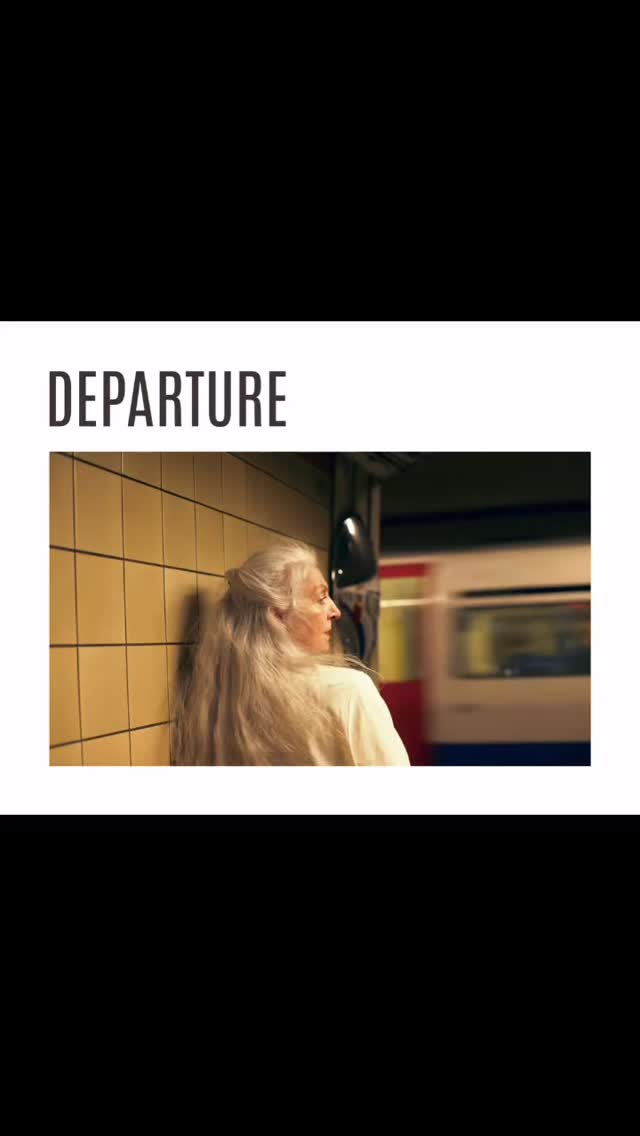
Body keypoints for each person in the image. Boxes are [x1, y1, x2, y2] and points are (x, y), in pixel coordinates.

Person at [172, 539, 410, 766]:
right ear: (279, 616)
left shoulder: (224, 704)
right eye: (321, 598)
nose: (335, 611)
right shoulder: (349, 691)